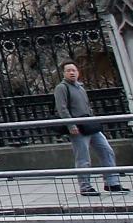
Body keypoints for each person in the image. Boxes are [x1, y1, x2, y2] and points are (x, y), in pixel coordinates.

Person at [53, 61, 127, 194]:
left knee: (107, 151)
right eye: (68, 70)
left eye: (74, 70)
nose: (72, 73)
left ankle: (112, 182)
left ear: (78, 72)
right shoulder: (62, 88)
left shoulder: (80, 87)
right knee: (83, 157)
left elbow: (87, 106)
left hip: (89, 124)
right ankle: (85, 186)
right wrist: (71, 125)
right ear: (63, 73)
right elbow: (62, 108)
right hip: (77, 127)